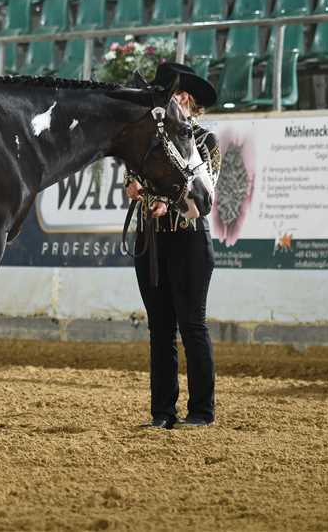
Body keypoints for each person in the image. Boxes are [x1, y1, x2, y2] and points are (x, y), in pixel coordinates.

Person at [125, 63, 221, 430]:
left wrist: (167, 200)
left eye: (182, 95)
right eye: (173, 94)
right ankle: (162, 412)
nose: (177, 100)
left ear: (193, 103)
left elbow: (204, 196)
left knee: (192, 325)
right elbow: (132, 180)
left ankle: (201, 411)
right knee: (160, 329)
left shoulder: (206, 141)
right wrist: (134, 187)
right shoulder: (149, 140)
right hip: (152, 239)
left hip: (188, 240)